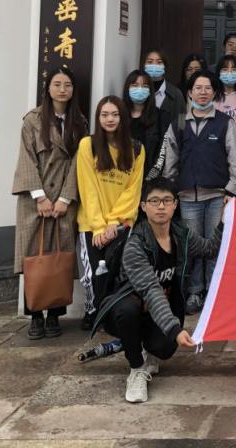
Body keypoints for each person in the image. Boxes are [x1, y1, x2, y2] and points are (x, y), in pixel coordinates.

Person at [92, 178, 221, 403]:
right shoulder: (136, 245)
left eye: (166, 200)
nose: (161, 206)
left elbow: (209, 249)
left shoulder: (181, 235)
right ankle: (136, 369)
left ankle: (147, 348)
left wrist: (225, 221)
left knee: (164, 349)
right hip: (127, 309)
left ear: (175, 204)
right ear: (143, 206)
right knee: (128, 310)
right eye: (154, 201)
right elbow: (151, 290)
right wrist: (174, 329)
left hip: (158, 310)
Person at [11, 66, 88, 339]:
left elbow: (79, 163)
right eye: (57, 84)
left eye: (67, 85)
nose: (62, 89)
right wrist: (40, 196)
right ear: (48, 88)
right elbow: (27, 158)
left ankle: (55, 314)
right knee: (33, 257)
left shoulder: (79, 122)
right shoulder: (32, 120)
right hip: (35, 200)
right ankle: (35, 315)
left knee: (60, 255)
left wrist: (65, 198)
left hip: (64, 201)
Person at [161, 71, 236, 313]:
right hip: (187, 197)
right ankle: (195, 292)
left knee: (216, 247)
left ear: (215, 93)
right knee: (193, 248)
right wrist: (170, 191)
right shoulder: (179, 122)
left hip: (218, 196)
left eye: (208, 88)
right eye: (198, 87)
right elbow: (170, 159)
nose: (203, 92)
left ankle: (215, 294)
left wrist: (232, 191)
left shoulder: (225, 122)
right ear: (190, 92)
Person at [75, 96, 145, 327]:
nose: (110, 119)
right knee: (92, 274)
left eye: (115, 114)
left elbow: (133, 190)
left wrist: (114, 221)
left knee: (115, 271)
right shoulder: (88, 145)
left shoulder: (136, 149)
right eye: (104, 115)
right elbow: (87, 188)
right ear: (98, 118)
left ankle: (111, 314)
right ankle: (93, 312)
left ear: (123, 117)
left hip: (121, 224)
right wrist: (99, 226)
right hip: (91, 224)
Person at [123, 70, 168, 181]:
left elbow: (162, 152)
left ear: (150, 90)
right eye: (135, 85)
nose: (140, 89)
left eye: (144, 86)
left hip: (147, 179)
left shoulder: (160, 116)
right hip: (121, 177)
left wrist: (150, 179)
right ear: (127, 88)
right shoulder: (119, 115)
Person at [143, 49, 184, 120]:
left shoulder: (176, 94)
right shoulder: (138, 91)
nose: (154, 65)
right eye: (150, 62)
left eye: (159, 62)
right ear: (144, 66)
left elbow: (182, 122)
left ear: (165, 66)